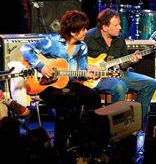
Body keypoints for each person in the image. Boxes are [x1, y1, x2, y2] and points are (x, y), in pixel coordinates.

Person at [20, 10, 102, 152]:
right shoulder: (52, 42)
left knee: (93, 97)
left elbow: (81, 71)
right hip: (46, 85)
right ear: (73, 32)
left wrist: (88, 75)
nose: (86, 31)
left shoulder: (82, 47)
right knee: (68, 99)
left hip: (67, 83)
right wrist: (42, 66)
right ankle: (61, 144)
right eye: (83, 29)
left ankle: (86, 139)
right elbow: (26, 48)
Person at [84, 8, 156, 121]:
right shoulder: (89, 36)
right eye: (116, 25)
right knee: (119, 86)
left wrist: (131, 61)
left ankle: (136, 122)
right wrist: (88, 66)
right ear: (104, 27)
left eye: (119, 24)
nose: (120, 27)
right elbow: (75, 58)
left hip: (117, 73)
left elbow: (122, 64)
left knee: (151, 83)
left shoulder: (120, 38)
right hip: (97, 78)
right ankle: (117, 127)